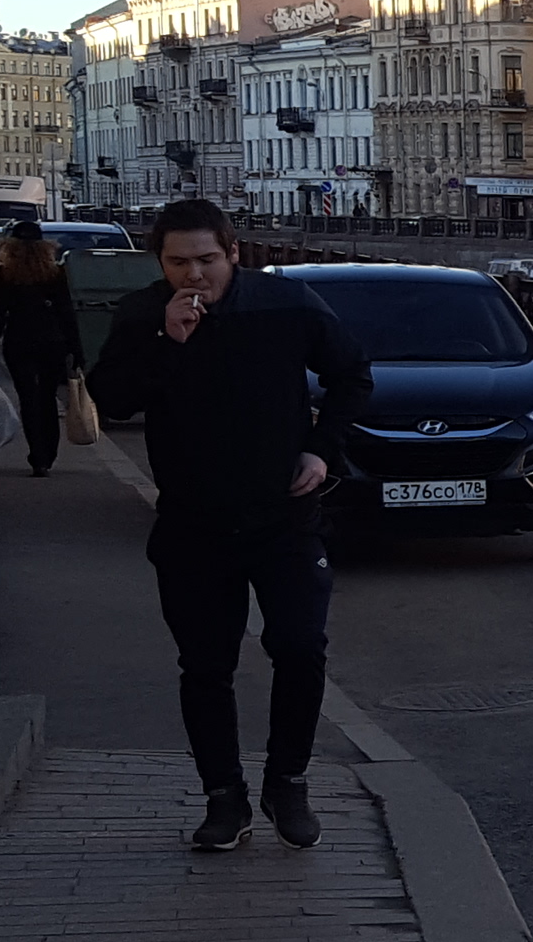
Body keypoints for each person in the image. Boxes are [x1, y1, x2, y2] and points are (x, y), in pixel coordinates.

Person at [85, 198, 372, 852]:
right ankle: (224, 797)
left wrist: (321, 448)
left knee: (300, 647)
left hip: (284, 518)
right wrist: (167, 341)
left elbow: (353, 375)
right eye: (178, 263)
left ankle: (287, 782)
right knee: (205, 666)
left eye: (207, 260)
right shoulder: (143, 314)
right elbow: (113, 398)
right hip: (193, 524)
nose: (194, 275)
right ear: (159, 262)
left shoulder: (285, 304)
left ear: (234, 254)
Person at [0, 219, 82, 477]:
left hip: (18, 341)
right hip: (51, 342)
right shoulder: (54, 274)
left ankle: (37, 456)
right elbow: (66, 313)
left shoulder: (5, 275)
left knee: (28, 398)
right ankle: (48, 453)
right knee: (47, 397)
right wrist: (76, 350)